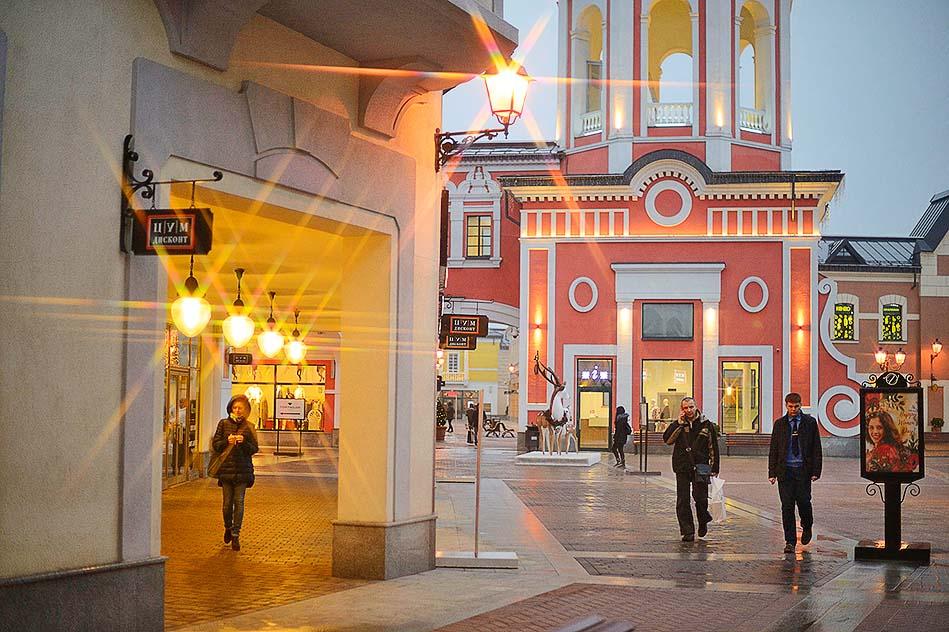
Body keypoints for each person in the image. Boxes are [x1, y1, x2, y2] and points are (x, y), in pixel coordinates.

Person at [768, 392, 822, 554]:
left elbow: (816, 448)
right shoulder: (780, 424)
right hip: (785, 471)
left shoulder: (809, 423)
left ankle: (807, 525)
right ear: (786, 405)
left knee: (804, 502)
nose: (793, 409)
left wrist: (816, 471)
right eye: (790, 406)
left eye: (796, 406)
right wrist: (772, 472)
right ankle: (790, 541)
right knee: (787, 507)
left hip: (803, 471)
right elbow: (774, 449)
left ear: (800, 405)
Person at [662, 398, 720, 541]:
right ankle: (687, 531)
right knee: (683, 499)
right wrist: (678, 423)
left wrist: (715, 466)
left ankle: (703, 519)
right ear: (682, 409)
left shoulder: (706, 424)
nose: (689, 410)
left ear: (696, 407)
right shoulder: (679, 424)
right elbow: (667, 440)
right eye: (686, 408)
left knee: (700, 498)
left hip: (701, 465)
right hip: (682, 465)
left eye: (691, 407)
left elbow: (713, 446)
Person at [211, 394, 259, 551]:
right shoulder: (223, 424)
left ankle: (236, 534)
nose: (237, 410)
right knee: (227, 505)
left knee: (239, 502)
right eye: (235, 407)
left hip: (243, 470)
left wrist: (243, 442)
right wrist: (227, 441)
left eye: (241, 408)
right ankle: (228, 527)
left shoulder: (250, 426)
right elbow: (216, 444)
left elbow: (254, 448)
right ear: (230, 408)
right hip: (226, 470)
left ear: (246, 410)